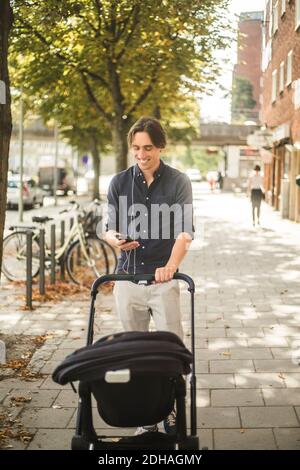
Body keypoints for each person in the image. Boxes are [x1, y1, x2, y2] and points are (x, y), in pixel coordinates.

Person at [105, 116, 194, 436]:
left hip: (163, 279)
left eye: (148, 148)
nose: (141, 155)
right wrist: (116, 239)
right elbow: (108, 228)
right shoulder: (118, 182)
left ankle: (172, 410)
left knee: (171, 349)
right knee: (135, 351)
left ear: (161, 147)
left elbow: (185, 232)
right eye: (136, 148)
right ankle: (146, 417)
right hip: (128, 278)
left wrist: (171, 265)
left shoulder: (179, 182)